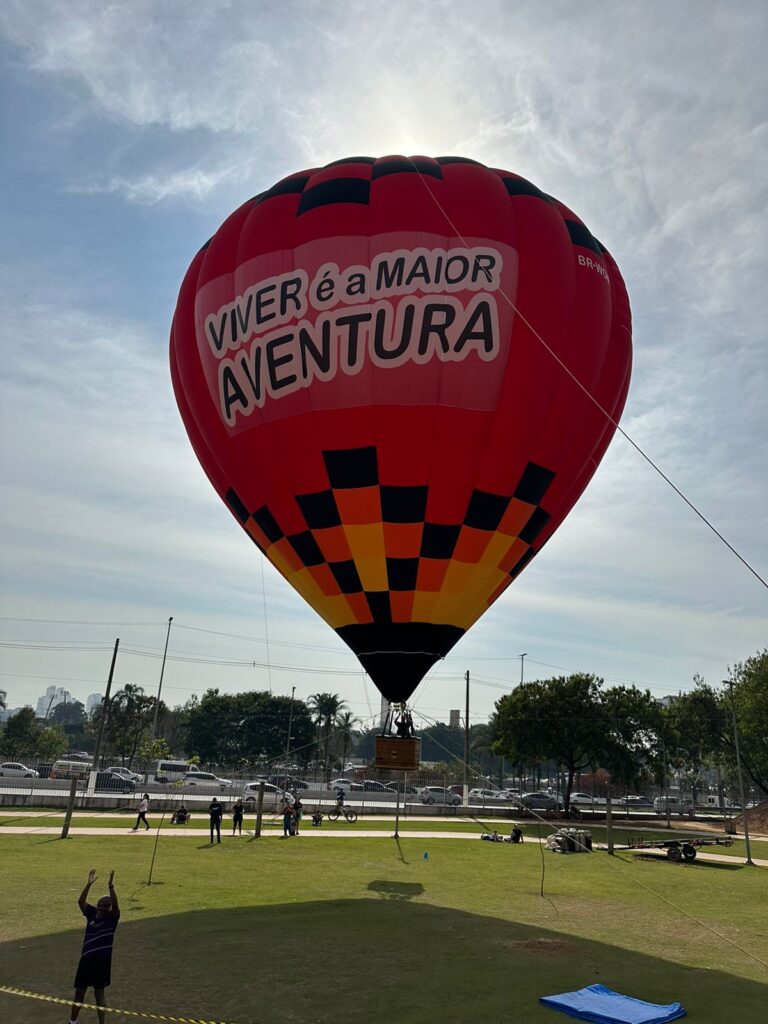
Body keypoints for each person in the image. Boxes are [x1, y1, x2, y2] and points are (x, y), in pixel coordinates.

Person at [69, 869, 119, 1024]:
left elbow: (116, 906)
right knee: (79, 994)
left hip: (102, 961)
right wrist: (88, 884)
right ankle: (72, 1022)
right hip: (86, 960)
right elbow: (80, 902)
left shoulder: (111, 918)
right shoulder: (91, 913)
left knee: (99, 995)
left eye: (106, 906)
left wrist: (111, 887)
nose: (103, 908)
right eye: (101, 905)